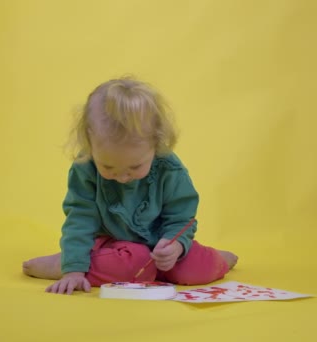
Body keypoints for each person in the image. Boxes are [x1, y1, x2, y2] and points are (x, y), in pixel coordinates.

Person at [22, 77, 238, 295]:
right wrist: (74, 270)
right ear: (89, 143)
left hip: (161, 247)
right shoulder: (85, 167)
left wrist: (175, 245)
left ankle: (219, 259)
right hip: (112, 247)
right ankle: (65, 262)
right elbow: (80, 217)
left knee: (194, 269)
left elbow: (182, 218)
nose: (123, 176)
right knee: (133, 262)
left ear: (156, 143)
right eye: (108, 166)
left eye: (135, 167)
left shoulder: (170, 170)